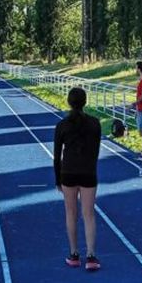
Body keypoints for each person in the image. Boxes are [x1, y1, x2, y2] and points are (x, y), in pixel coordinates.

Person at [53, 87, 102, 271]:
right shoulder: (95, 124)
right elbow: (96, 151)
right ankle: (91, 256)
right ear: (85, 102)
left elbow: (57, 156)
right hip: (88, 172)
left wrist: (58, 178)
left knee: (71, 213)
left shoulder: (62, 125)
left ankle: (74, 254)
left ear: (68, 102)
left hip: (68, 172)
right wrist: (91, 168)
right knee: (88, 214)